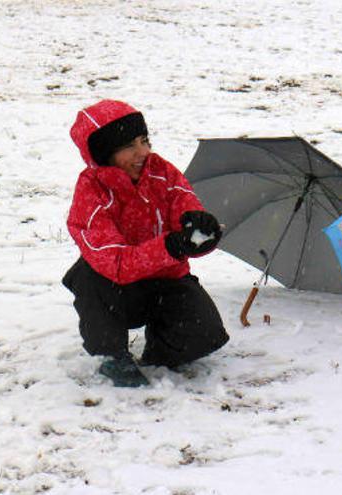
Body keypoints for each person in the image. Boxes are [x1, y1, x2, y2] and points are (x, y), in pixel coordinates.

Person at [63, 99, 229, 388]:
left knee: (205, 334)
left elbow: (184, 204)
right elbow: (115, 263)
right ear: (105, 152)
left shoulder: (161, 171)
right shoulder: (91, 191)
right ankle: (111, 354)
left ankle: (159, 349)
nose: (143, 152)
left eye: (144, 140)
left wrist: (201, 230)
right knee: (90, 277)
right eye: (129, 146)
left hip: (166, 280)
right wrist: (171, 247)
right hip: (115, 288)